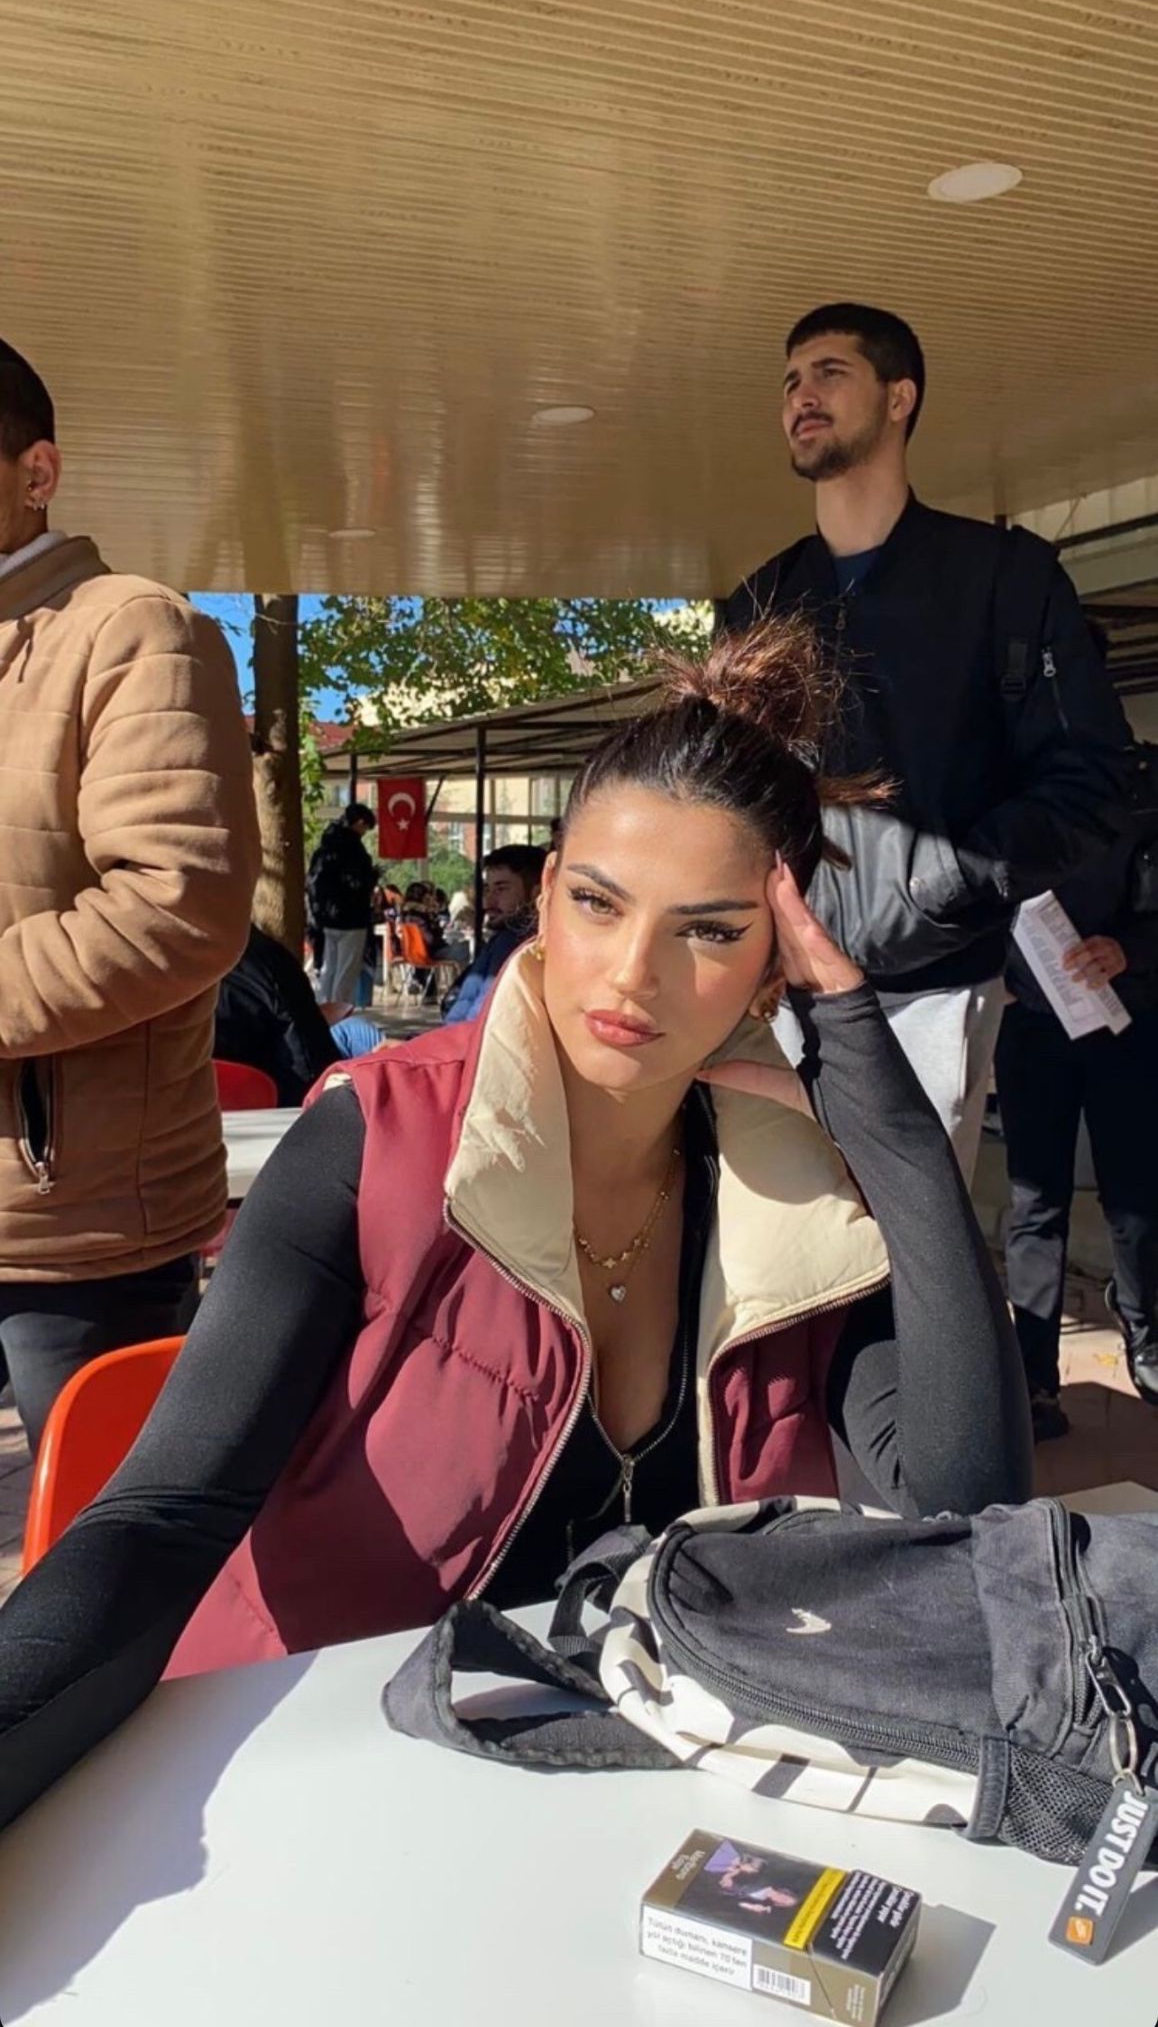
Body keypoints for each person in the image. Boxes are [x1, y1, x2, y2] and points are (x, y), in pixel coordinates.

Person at [0, 626, 1033, 1835]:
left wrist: (899, 1141)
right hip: (340, 1790)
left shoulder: (791, 1188)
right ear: (544, 898)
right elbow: (159, 1521)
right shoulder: (376, 1140)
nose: (632, 972)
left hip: (644, 1795)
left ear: (776, 966)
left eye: (708, 929)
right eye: (598, 902)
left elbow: (969, 1513)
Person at [723, 302, 1130, 1178]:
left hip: (934, 992)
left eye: (830, 372)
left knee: (909, 1240)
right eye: (791, 381)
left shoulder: (1007, 578)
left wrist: (943, 884)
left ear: (899, 397)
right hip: (774, 992)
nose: (801, 395)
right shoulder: (760, 602)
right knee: (775, 1240)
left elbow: (1092, 778)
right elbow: (724, 791)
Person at [0, 336, 259, 1454]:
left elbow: (178, 905)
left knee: (103, 1541)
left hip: (74, 1229)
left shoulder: (135, 628)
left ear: (38, 471)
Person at [996, 749, 1158, 1439]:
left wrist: (1129, 950)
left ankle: (1145, 1337)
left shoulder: (1143, 787)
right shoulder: (1000, 794)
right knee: (1036, 1202)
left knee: (1136, 1196)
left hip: (1127, 1021)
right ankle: (1034, 1378)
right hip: (1032, 1025)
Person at [215, 924, 341, 1106]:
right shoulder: (269, 961)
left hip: (187, 1110)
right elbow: (311, 1065)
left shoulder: (172, 965)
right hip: (275, 1108)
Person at [442, 843, 548, 1024]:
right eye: (487, 889)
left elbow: (481, 1021)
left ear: (537, 893)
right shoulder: (504, 939)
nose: (488, 901)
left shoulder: (513, 943)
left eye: (501, 889)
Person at [306, 803, 378, 1006]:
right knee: (346, 971)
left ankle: (323, 1009)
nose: (364, 833)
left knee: (328, 968)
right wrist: (372, 877)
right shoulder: (354, 851)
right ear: (360, 823)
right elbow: (357, 883)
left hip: (326, 918)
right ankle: (340, 1013)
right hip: (352, 918)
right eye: (366, 828)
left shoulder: (325, 848)